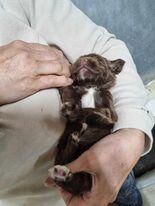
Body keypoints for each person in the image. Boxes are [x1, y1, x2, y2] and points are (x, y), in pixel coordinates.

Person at [0, 0, 154, 206]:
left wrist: (131, 135)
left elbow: (103, 47)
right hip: (50, 197)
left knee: (129, 198)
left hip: (108, 159)